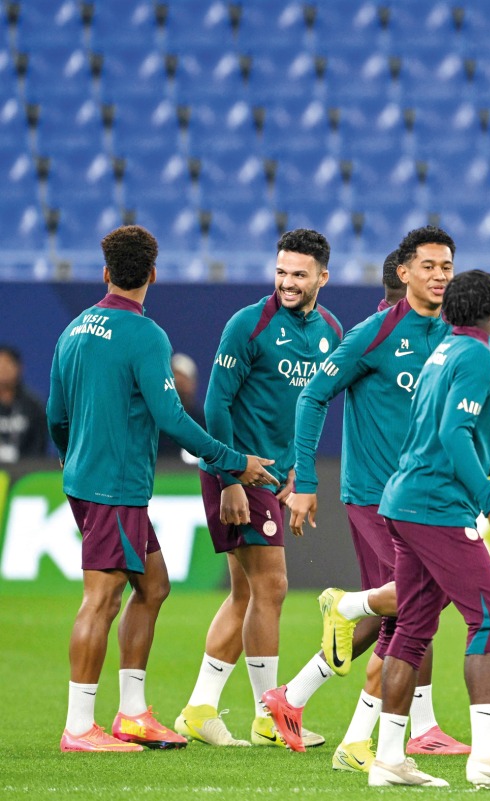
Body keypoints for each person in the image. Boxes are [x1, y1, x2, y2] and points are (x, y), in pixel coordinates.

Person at [266, 228, 490, 763]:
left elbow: (446, 426)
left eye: (447, 267)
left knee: (414, 611)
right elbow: (312, 397)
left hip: (430, 494)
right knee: (418, 609)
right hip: (376, 494)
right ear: (404, 273)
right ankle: (378, 732)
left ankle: (300, 698)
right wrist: (304, 480)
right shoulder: (374, 334)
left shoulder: (452, 339)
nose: (440, 275)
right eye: (430, 266)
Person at [47, 225, 277, 752]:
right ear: (152, 274)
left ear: (106, 272)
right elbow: (171, 416)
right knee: (101, 600)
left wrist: (73, 458)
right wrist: (233, 460)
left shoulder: (74, 329)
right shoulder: (146, 336)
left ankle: (132, 714)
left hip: (91, 480)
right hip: (115, 486)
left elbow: (56, 414)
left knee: (153, 587)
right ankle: (79, 728)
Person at [369, 270, 490, 787]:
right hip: (436, 507)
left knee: (411, 628)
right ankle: (488, 756)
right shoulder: (478, 356)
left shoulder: (444, 352)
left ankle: (387, 760)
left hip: (405, 500)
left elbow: (450, 433)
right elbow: (452, 433)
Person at [174, 229, 343, 749]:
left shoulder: (331, 331)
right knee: (271, 587)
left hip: (274, 474)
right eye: (281, 272)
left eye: (299, 274)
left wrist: (297, 470)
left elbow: (311, 405)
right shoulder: (248, 325)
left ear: (322, 277)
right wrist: (229, 479)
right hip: (240, 470)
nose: (287, 283)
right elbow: (218, 406)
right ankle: (269, 716)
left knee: (246, 591)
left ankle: (200, 709)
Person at [0, 344, 48, 462]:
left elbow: (39, 444)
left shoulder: (33, 406)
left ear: (19, 368)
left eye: (7, 364)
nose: (3, 370)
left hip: (25, 472)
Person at [157, 353, 204, 462]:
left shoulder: (204, 424)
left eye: (183, 383)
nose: (179, 388)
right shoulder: (154, 425)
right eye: (174, 383)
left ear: (193, 384)